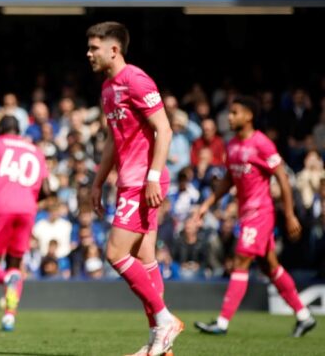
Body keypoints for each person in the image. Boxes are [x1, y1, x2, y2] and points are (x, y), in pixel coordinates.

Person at [86, 21, 182, 356]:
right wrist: (98, 182)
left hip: (144, 183)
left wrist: (153, 176)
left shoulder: (136, 80)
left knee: (115, 254)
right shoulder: (108, 88)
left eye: (94, 48)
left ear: (114, 49)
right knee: (145, 259)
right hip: (129, 181)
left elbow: (164, 130)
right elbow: (114, 139)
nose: (89, 54)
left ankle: (165, 321)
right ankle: (161, 342)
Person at [193, 96, 316, 337]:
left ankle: (222, 322)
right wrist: (207, 204)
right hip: (246, 213)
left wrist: (290, 214)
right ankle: (304, 316)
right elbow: (228, 179)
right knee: (270, 266)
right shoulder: (233, 145)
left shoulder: (262, 143)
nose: (229, 117)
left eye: (235, 112)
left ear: (248, 116)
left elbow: (282, 178)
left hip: (261, 212)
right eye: (229, 112)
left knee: (240, 260)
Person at [0, 114, 50, 332]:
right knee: (15, 263)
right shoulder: (36, 151)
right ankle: (9, 316)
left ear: (0, 129)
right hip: (27, 209)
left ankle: (6, 279)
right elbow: (46, 190)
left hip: (0, 206)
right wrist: (27, 199)